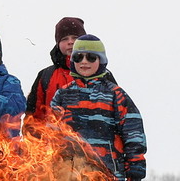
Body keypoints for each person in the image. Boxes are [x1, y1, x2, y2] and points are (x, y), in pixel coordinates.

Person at [51, 35, 146, 181]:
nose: (84, 62)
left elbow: (132, 131)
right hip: (70, 172)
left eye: (91, 57)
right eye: (78, 57)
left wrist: (135, 163)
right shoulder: (63, 94)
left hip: (107, 171)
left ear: (101, 61)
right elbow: (51, 132)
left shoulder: (114, 94)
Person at [25, 17, 119, 122]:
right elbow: (34, 115)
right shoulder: (46, 75)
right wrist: (35, 136)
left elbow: (119, 113)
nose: (70, 42)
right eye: (64, 39)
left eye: (75, 38)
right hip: (54, 136)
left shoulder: (102, 74)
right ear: (57, 44)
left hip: (96, 136)